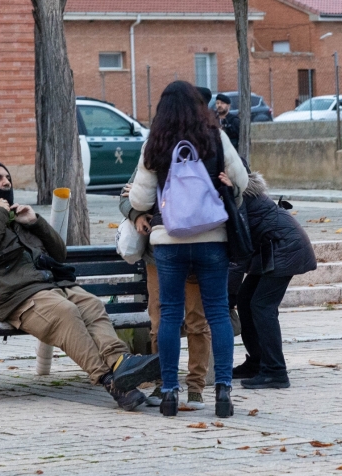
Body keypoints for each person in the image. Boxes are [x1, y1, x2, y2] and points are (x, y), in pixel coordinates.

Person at [0, 161, 161, 411]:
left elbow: (59, 253)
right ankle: (109, 380)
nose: (6, 183)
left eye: (7, 178)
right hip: (13, 297)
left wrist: (36, 222)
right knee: (64, 312)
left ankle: (121, 361)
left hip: (50, 284)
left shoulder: (17, 217)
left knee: (89, 304)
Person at [129, 81, 248, 418]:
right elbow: (241, 182)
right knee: (217, 313)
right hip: (212, 238)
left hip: (169, 240)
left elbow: (140, 199)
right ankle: (223, 390)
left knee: (169, 314)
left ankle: (169, 391)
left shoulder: (156, 143)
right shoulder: (216, 136)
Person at [120, 173, 211, 410]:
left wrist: (145, 197)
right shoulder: (154, 152)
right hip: (158, 252)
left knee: (196, 321)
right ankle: (164, 384)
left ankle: (195, 388)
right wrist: (136, 213)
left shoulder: (201, 151)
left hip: (195, 248)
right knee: (159, 321)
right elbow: (124, 196)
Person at [231, 172, 317, 389]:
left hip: (285, 248)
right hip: (272, 249)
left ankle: (275, 371)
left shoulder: (239, 197)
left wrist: (227, 296)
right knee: (246, 301)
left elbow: (239, 253)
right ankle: (258, 362)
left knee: (262, 306)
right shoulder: (236, 193)